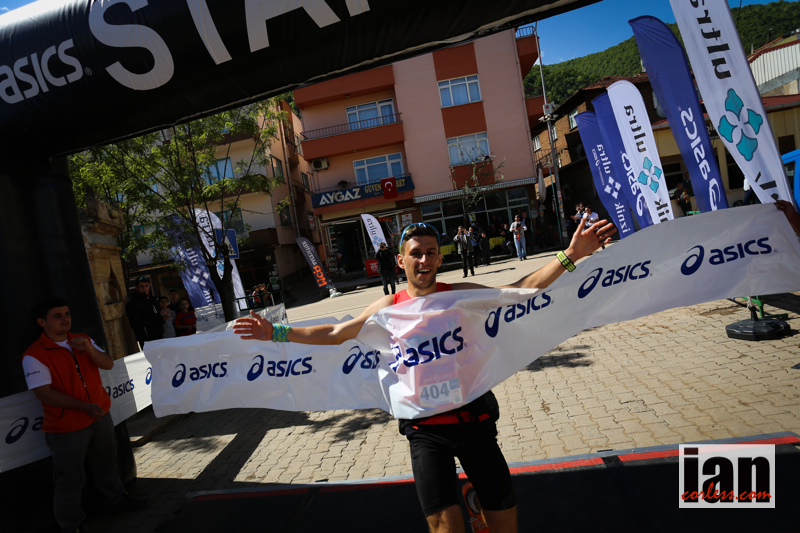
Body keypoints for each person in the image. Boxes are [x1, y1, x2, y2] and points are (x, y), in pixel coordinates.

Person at [233, 218, 616, 533]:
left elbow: (520, 290)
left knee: (505, 527)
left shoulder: (458, 295)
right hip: (426, 433)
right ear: (401, 261)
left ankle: (478, 505)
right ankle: (469, 505)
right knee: (446, 529)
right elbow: (336, 333)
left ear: (439, 258)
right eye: (416, 253)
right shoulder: (388, 306)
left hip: (474, 423)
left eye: (431, 252)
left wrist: (570, 255)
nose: (424, 259)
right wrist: (276, 333)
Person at [23, 298, 148, 533]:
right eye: (57, 316)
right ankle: (71, 525)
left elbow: (108, 364)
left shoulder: (82, 340)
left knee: (106, 464)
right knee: (69, 479)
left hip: (99, 416)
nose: (65, 319)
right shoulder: (34, 355)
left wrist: (89, 349)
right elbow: (44, 394)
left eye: (67, 313)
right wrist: (84, 407)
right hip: (67, 426)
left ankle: (116, 502)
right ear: (42, 322)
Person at [124, 276, 163, 348]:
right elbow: (137, 323)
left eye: (146, 286)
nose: (145, 289)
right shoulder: (132, 303)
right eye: (141, 286)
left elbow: (157, 315)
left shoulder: (153, 299)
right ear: (136, 287)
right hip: (146, 339)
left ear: (149, 286)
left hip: (159, 335)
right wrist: (159, 315)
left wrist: (163, 318)